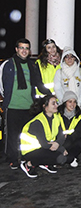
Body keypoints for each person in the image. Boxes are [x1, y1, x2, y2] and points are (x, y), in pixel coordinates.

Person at [0, 38, 51, 169]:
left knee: (28, 136)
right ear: (16, 49)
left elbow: (38, 83)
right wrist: (6, 99)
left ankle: (26, 157)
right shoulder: (8, 64)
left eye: (26, 48)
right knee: (12, 135)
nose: (24, 51)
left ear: (29, 51)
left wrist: (50, 94)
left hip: (28, 106)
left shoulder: (32, 65)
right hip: (12, 106)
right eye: (21, 48)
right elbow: (1, 83)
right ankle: (13, 158)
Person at [19, 95, 67, 178]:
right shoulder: (37, 122)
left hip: (46, 147)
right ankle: (29, 164)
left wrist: (58, 144)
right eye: (53, 103)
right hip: (31, 151)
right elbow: (44, 144)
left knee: (65, 155)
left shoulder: (56, 117)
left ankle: (45, 163)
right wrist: (61, 148)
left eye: (56, 103)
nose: (57, 105)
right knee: (60, 158)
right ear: (45, 106)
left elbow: (62, 136)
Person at [57, 91, 81, 167]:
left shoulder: (79, 115)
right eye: (70, 102)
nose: (72, 105)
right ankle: (69, 158)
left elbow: (79, 133)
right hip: (59, 140)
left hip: (71, 140)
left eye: (74, 102)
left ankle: (68, 158)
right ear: (65, 102)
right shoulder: (57, 114)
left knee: (80, 143)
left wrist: (69, 137)